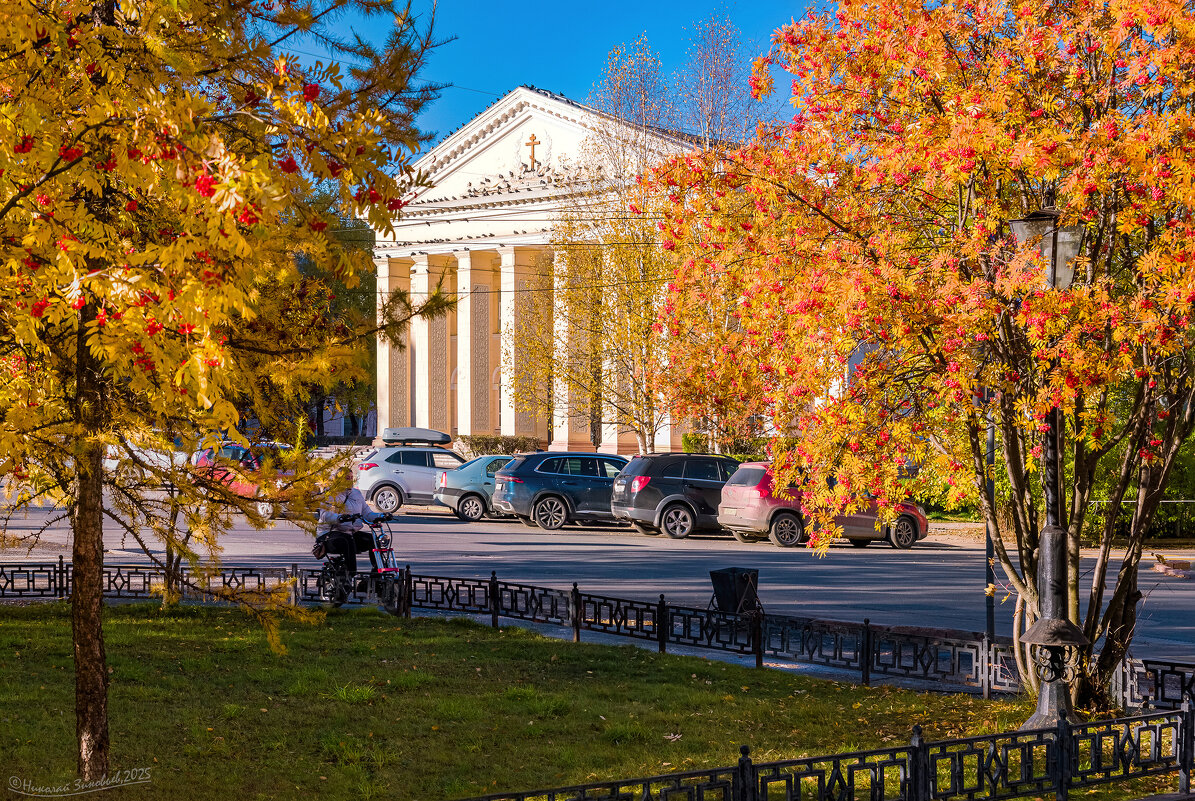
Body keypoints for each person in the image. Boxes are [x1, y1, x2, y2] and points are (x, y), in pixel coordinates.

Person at [316, 468, 384, 575]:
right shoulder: (330, 493)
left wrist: (381, 516)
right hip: (328, 535)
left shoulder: (356, 493)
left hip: (349, 533)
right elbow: (324, 515)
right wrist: (340, 518)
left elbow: (367, 512)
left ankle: (377, 574)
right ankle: (351, 574)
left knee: (373, 540)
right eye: (346, 478)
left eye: (351, 478)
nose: (350, 481)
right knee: (347, 540)